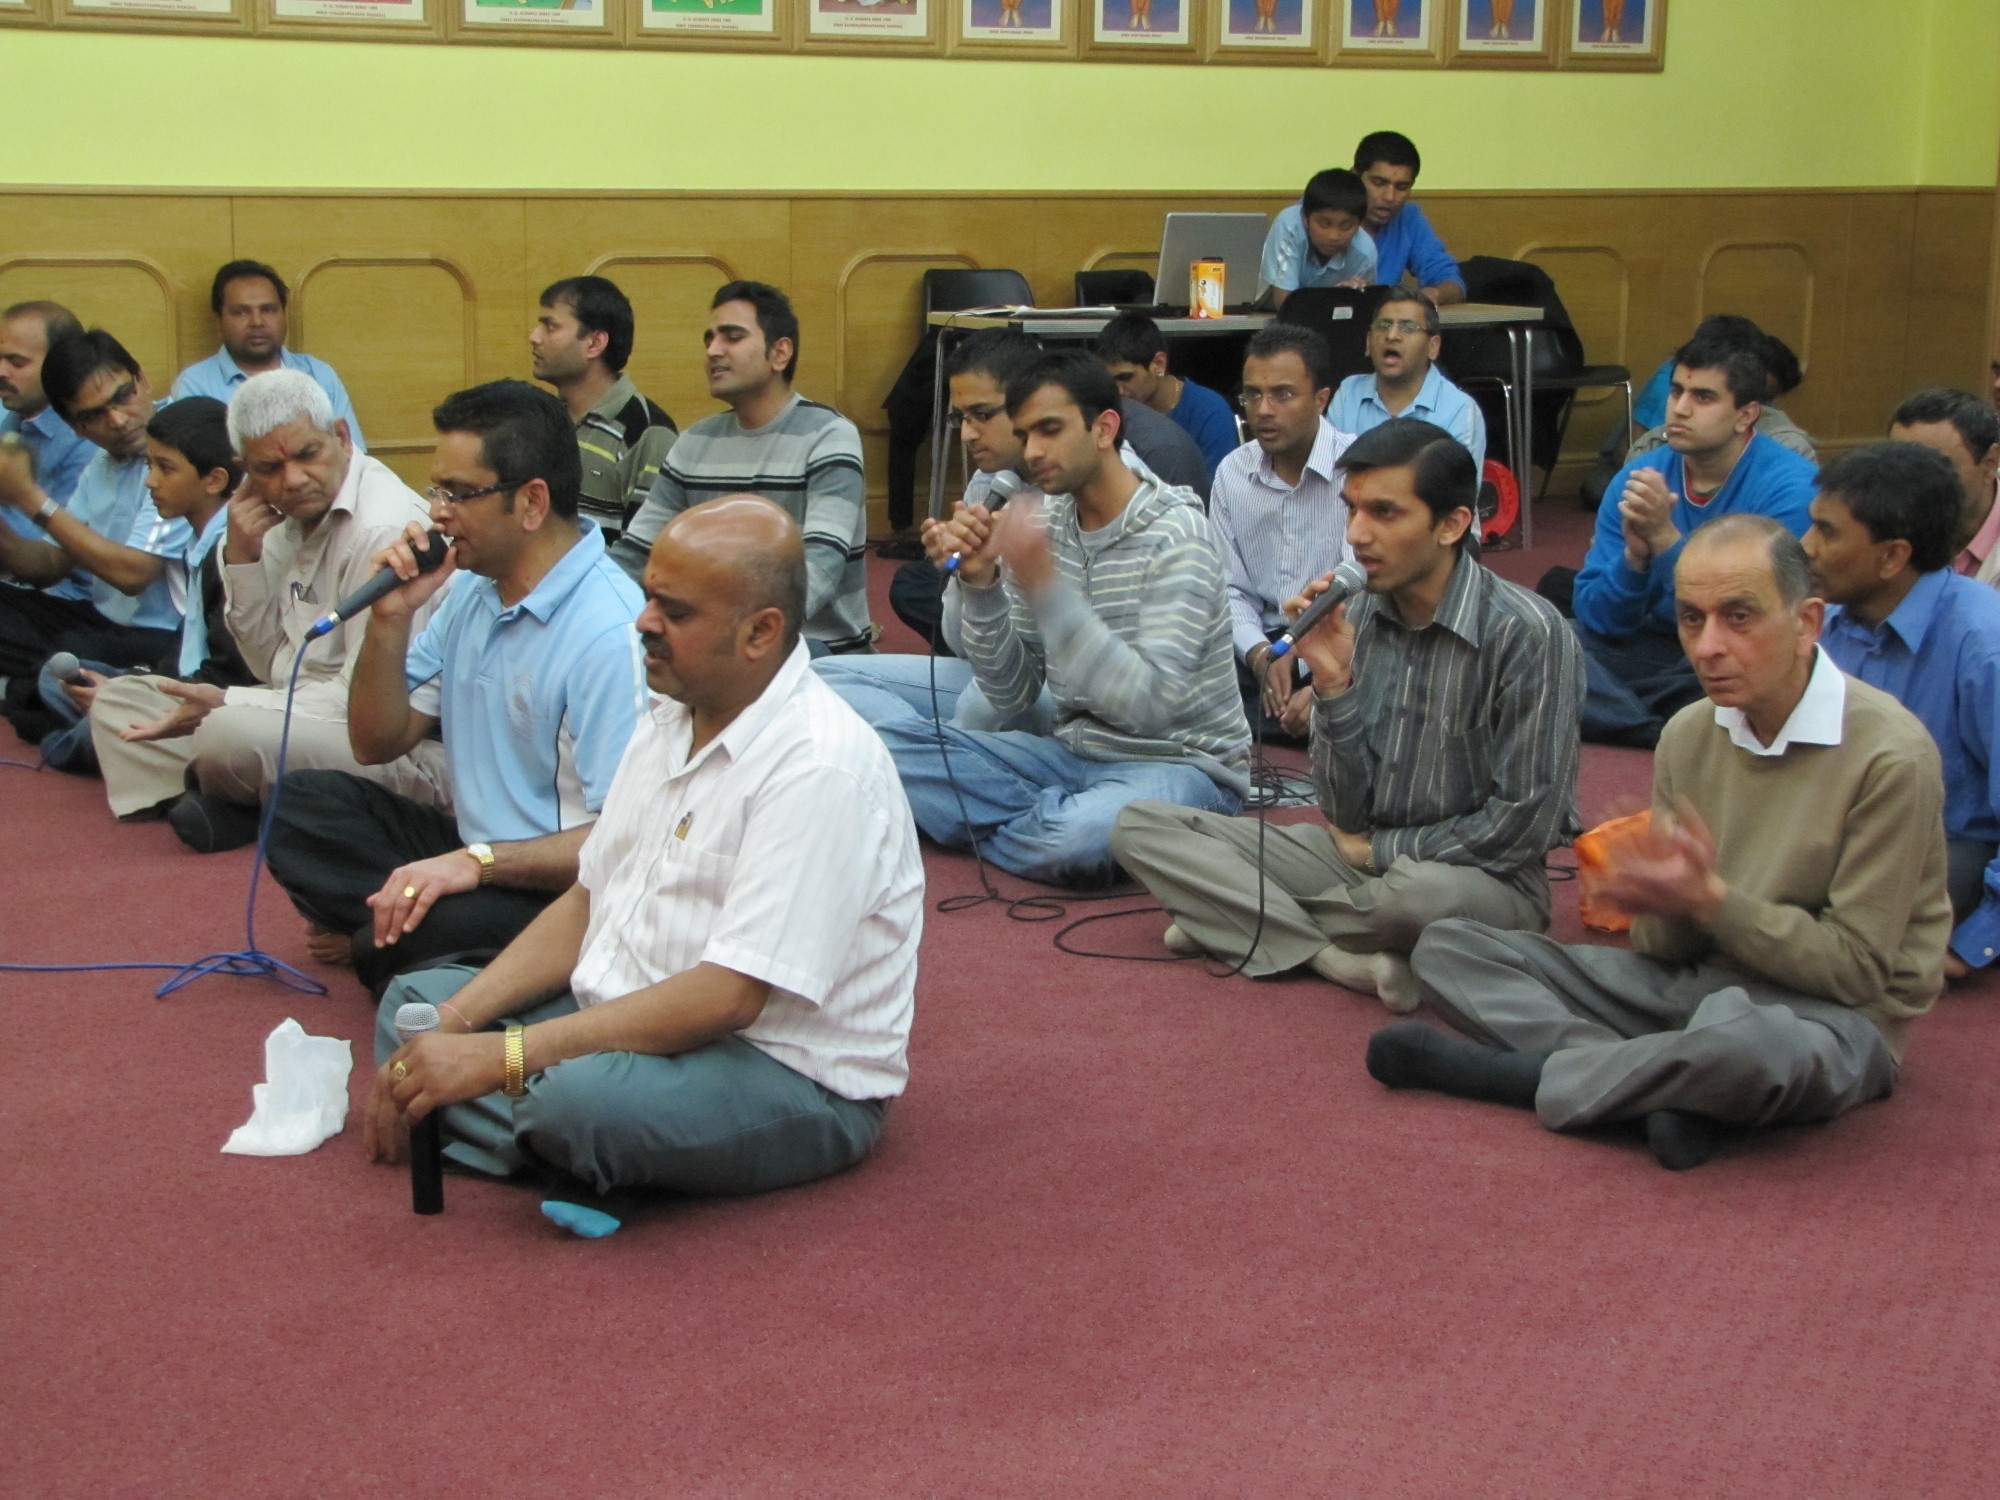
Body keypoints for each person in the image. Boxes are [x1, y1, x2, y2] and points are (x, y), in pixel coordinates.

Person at [363, 497, 920, 1219]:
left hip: (779, 1068)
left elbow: (727, 996)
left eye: (675, 612)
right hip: (632, 1011)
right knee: (414, 1012)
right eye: (649, 596)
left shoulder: (819, 767)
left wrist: (504, 1058)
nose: (643, 622)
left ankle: (555, 1140)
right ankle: (589, 1161)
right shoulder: (670, 717)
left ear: (761, 632)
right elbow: (588, 898)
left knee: (574, 1104)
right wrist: (461, 1022)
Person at [1378, 516, 1949, 1172]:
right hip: (1695, 990)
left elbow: (1857, 973)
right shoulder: (1688, 732)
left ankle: (1524, 1077)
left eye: (1739, 617)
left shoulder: (1890, 756)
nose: (1707, 647)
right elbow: (1664, 953)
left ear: (1807, 622)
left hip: (1828, 1018)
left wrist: (1710, 901)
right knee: (1450, 946)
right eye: (1691, 619)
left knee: (1753, 1049)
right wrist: (1660, 901)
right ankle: (1663, 1089)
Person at [1113, 419, 1582, 1009]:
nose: (1357, 535)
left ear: (1452, 524)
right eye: (1352, 509)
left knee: (1414, 898)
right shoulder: (1358, 613)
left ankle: (1234, 917)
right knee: (1141, 826)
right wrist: (1333, 686)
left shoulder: (1529, 633)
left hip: (1478, 877)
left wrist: (1378, 855)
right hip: (1356, 857)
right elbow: (1343, 810)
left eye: (1384, 513)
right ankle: (1327, 955)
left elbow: (1524, 822)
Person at [264, 380, 646, 995]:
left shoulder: (608, 633)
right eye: (436, 490)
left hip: (557, 887)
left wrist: (479, 866)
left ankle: (394, 934)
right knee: (299, 805)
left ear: (531, 502)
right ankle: (404, 929)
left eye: (458, 494)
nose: (435, 513)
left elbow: (627, 842)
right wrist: (388, 620)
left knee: (400, 940)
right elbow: (375, 742)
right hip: (473, 851)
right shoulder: (471, 587)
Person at [834, 350, 1248, 886]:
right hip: (1067, 749)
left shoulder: (1177, 536)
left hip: (1180, 766)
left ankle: (1013, 815)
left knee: (1070, 839)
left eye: (1049, 430)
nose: (1032, 451)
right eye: (1026, 434)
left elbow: (1150, 707)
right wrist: (979, 583)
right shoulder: (1049, 522)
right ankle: (1067, 818)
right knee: (881, 746)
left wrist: (1045, 587)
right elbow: (1014, 695)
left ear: (1104, 428)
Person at [80, 370, 442, 849]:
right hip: (285, 710)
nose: (292, 480)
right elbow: (266, 664)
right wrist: (241, 558)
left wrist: (230, 702)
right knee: (119, 701)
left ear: (340, 435)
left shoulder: (385, 527)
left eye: (307, 455)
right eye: (269, 468)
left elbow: (359, 706)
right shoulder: (272, 519)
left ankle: (232, 799)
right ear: (245, 469)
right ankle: (240, 796)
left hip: (366, 735)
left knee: (226, 730)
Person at [1570, 323, 1817, 747]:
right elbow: (1599, 618)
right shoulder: (1637, 478)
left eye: (1702, 397)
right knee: (1553, 644)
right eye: (1676, 392)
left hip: (1740, 649)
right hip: (1656, 645)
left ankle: (1629, 713)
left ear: (1746, 415)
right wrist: (1633, 560)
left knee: (1759, 679)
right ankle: (1663, 727)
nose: (1680, 409)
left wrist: (1665, 541)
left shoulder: (1792, 487)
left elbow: (1758, 612)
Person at [1806, 442, 2000, 981]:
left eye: (1827, 532)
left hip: (1944, 845)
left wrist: (1975, 944)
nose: (1805, 547)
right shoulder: (1824, 620)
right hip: (1834, 821)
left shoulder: (1984, 643)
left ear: (1893, 556)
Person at [615, 281, 872, 656]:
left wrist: (727, 639)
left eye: (732, 337)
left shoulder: (828, 436)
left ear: (780, 353)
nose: (713, 351)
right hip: (719, 643)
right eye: (709, 339)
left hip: (817, 650)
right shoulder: (695, 442)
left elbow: (817, 572)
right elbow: (637, 555)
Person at [34, 399, 256, 782]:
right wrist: (136, 683)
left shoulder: (233, 547)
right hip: (180, 682)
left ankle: (92, 740)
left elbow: (229, 673)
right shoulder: (198, 539)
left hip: (220, 700)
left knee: (101, 713)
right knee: (56, 678)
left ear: (215, 480)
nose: (150, 481)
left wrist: (140, 692)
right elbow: (187, 648)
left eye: (164, 468)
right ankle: (111, 732)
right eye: (149, 465)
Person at [0, 330, 190, 731]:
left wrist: (32, 499)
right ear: (76, 428)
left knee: (72, 655)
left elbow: (134, 574)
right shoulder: (100, 467)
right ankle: (43, 688)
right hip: (103, 620)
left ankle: (34, 690)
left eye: (123, 396)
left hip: (170, 636)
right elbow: (50, 564)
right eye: (94, 415)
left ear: (143, 379)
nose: (118, 420)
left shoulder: (182, 446)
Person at [1209, 322, 1353, 741]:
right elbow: (1228, 589)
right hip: (1266, 641)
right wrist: (1261, 654)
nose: (1263, 410)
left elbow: (1368, 595)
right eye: (1253, 394)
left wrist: (1326, 677)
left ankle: (1317, 708)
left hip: (1341, 641)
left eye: (1282, 395)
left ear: (1322, 399)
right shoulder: (1233, 472)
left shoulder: (1359, 468)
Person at [529, 275, 677, 542]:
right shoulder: (539, 421)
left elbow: (645, 554)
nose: (534, 337)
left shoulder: (647, 433)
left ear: (595, 344)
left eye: (550, 327)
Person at [172, 261, 366, 450]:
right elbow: (191, 471)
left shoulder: (320, 375)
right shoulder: (195, 385)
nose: (257, 322)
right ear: (219, 321)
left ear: (283, 314)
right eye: (241, 312)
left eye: (268, 310)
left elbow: (354, 456)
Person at [1329, 289, 1486, 473]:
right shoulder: (1348, 394)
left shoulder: (1458, 409)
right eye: (1383, 325)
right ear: (1368, 342)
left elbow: (1453, 495)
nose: (1392, 335)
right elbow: (1329, 480)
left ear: (1433, 347)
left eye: (1408, 328)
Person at [1093, 312, 1240, 479]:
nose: (1118, 390)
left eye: (1126, 377)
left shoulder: (1211, 412)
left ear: (1158, 364)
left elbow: (1217, 492)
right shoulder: (1108, 411)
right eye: (1110, 381)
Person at [1887, 388, 2000, 586]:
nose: (1913, 483)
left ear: (1989, 463)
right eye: (1900, 466)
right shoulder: (1874, 529)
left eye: (1935, 467)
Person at [0, 301, 91, 523]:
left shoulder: (87, 439)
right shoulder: (12, 418)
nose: (1, 371)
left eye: (17, 362)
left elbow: (62, 545)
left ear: (61, 366)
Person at [1351, 131, 1463, 306]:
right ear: (1355, 176)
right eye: (1379, 183)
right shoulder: (1318, 213)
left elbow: (1452, 283)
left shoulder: (1409, 217)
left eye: (1402, 187)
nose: (1389, 197)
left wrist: (1435, 294)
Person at [1258, 168, 1377, 311]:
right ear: (1305, 218)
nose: (1334, 236)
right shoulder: (1289, 225)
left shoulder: (1365, 252)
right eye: (1324, 224)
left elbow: (1366, 311)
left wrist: (1348, 298)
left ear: (1359, 224)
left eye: (1346, 226)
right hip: (1260, 313)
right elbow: (1285, 306)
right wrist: (1331, 299)